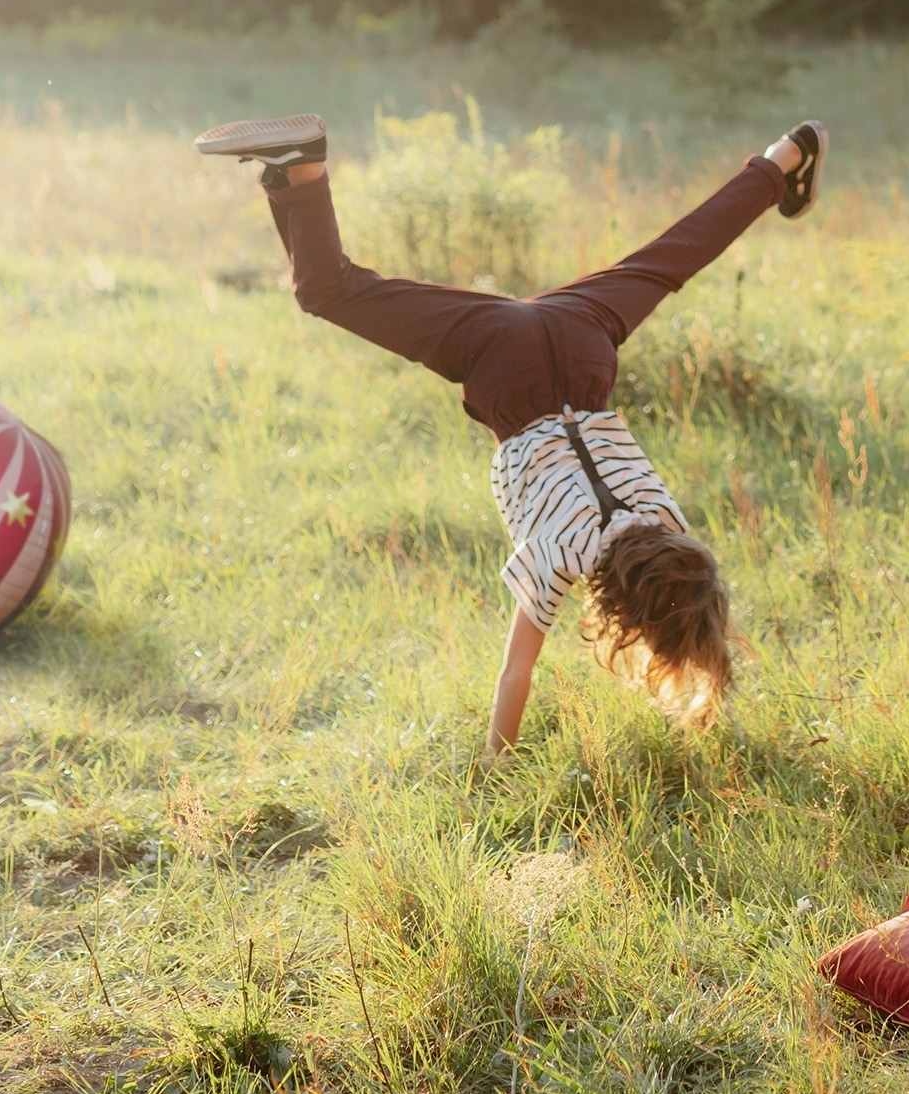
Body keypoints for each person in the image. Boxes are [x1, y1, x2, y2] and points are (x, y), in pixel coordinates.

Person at [194, 110, 826, 743]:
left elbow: (685, 587)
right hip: (501, 362)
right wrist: (495, 764)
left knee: (677, 253)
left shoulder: (668, 524)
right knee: (328, 292)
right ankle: (302, 167)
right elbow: (515, 671)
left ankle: (785, 155)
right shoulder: (559, 557)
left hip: (579, 334)